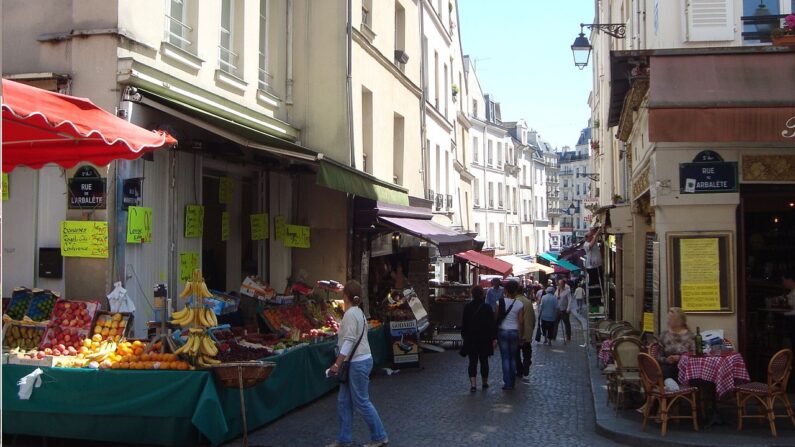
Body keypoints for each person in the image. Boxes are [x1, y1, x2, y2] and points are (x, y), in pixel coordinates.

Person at [327, 280, 388, 447]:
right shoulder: (358, 313)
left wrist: (337, 364)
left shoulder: (350, 314)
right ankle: (343, 438)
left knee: (361, 401)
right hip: (357, 362)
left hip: (357, 363)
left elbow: (348, 341)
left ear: (345, 296)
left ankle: (379, 436)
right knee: (344, 401)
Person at [460, 286, 497, 392]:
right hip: (484, 338)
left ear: (472, 294)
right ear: (482, 294)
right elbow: (492, 324)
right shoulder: (487, 307)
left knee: (472, 361)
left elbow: (464, 323)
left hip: (471, 338)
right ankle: (485, 382)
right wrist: (494, 338)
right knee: (484, 361)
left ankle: (473, 384)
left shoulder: (468, 307)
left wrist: (464, 335)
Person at [496, 280, 525, 390]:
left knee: (505, 358)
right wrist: (521, 335)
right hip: (514, 332)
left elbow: (496, 318)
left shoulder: (500, 302)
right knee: (513, 358)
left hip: (503, 331)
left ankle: (507, 382)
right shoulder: (519, 304)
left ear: (506, 290)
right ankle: (512, 381)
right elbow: (521, 321)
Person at [656, 307, 695, 380]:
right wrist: (667, 360)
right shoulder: (664, 335)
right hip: (668, 367)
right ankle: (671, 386)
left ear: (679, 321)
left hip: (685, 367)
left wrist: (681, 358)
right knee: (666, 370)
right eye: (668, 319)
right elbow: (658, 357)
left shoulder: (690, 337)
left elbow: (694, 356)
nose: (668, 321)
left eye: (670, 319)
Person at [515, 286, 536, 382]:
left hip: (516, 332)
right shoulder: (528, 302)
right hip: (527, 332)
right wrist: (531, 328)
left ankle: (519, 370)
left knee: (516, 353)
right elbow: (533, 318)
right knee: (527, 351)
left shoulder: (514, 302)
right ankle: (526, 362)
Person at [554, 279, 574, 344]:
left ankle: (568, 337)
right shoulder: (557, 290)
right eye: (559, 283)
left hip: (564, 310)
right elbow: (554, 298)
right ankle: (553, 336)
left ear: (563, 284)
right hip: (557, 310)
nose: (559, 284)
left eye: (561, 283)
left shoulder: (567, 291)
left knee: (567, 324)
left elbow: (570, 300)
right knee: (555, 323)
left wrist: (568, 309)